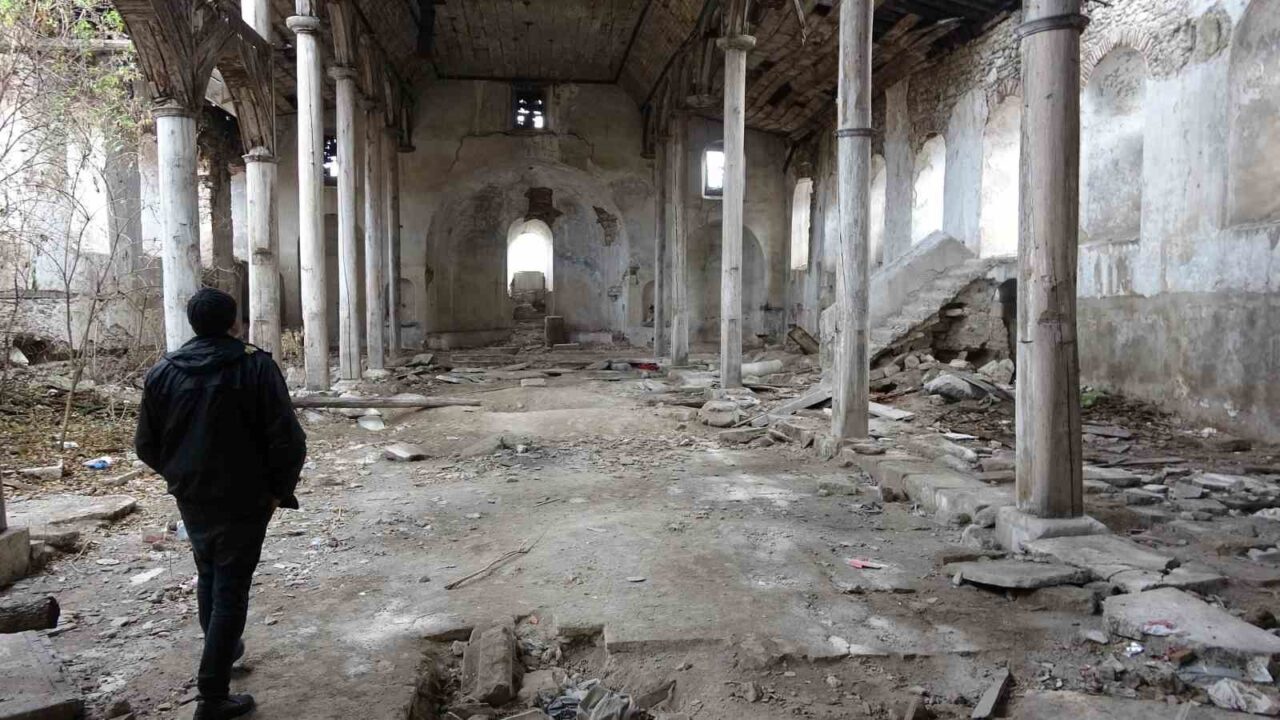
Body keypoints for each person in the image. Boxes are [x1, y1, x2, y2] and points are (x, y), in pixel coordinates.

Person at [136, 288, 306, 720]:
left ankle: (224, 652)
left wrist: (181, 476)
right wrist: (278, 490)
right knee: (230, 587)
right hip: (246, 497)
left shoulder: (163, 371)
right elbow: (288, 439)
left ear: (191, 323)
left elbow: (146, 445)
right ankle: (212, 696)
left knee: (210, 573)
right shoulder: (255, 366)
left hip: (193, 496)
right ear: (235, 322)